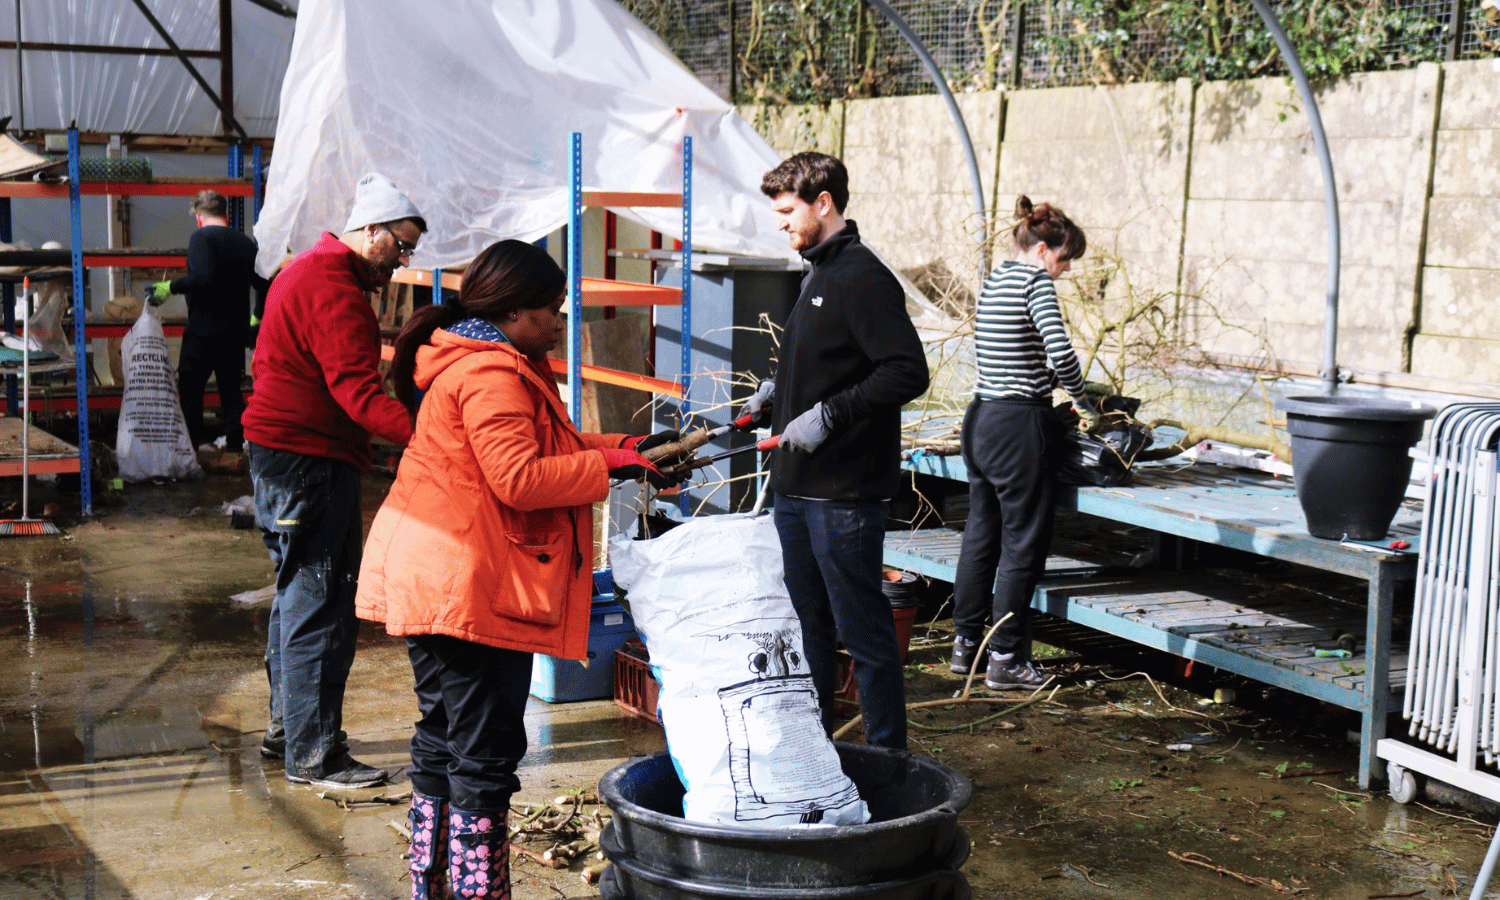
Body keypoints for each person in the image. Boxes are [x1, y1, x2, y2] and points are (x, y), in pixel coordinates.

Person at [355, 239, 682, 900]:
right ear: (511, 312)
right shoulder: (491, 373)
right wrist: (613, 469)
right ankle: (478, 893)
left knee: (445, 739)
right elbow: (522, 478)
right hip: (464, 584)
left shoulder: (484, 360)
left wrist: (626, 447)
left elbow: (546, 447)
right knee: (483, 753)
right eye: (551, 310)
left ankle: (436, 886)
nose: (560, 321)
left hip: (442, 574)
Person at [242, 173, 425, 789]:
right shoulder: (334, 287)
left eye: (409, 252)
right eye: (398, 246)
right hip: (308, 459)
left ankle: (286, 731)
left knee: (297, 590)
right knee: (320, 601)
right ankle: (316, 756)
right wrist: (436, 437)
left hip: (281, 453)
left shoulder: (309, 270)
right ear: (369, 228)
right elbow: (359, 393)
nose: (401, 263)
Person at [751, 152, 928, 751]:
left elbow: (906, 371)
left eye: (787, 211)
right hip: (796, 489)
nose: (781, 223)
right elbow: (832, 363)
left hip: (844, 494)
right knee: (809, 630)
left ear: (822, 203)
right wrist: (778, 397)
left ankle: (888, 758)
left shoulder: (860, 276)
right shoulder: (815, 273)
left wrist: (829, 414)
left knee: (864, 631)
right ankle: (817, 752)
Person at [949, 195, 1097, 690]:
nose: (1066, 269)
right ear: (1044, 249)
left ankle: (966, 644)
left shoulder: (995, 279)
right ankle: (1008, 659)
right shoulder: (1036, 282)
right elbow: (1061, 353)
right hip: (1018, 426)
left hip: (981, 419)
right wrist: (1086, 401)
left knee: (980, 536)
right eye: (1065, 258)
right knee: (1022, 546)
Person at [150, 190, 268, 473]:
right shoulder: (245, 243)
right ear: (226, 215)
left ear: (199, 218)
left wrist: (170, 288)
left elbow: (204, 278)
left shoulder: (201, 238)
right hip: (234, 334)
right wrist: (255, 320)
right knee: (231, 394)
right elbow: (264, 284)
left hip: (203, 332)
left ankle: (189, 453)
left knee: (191, 393)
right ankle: (235, 453)